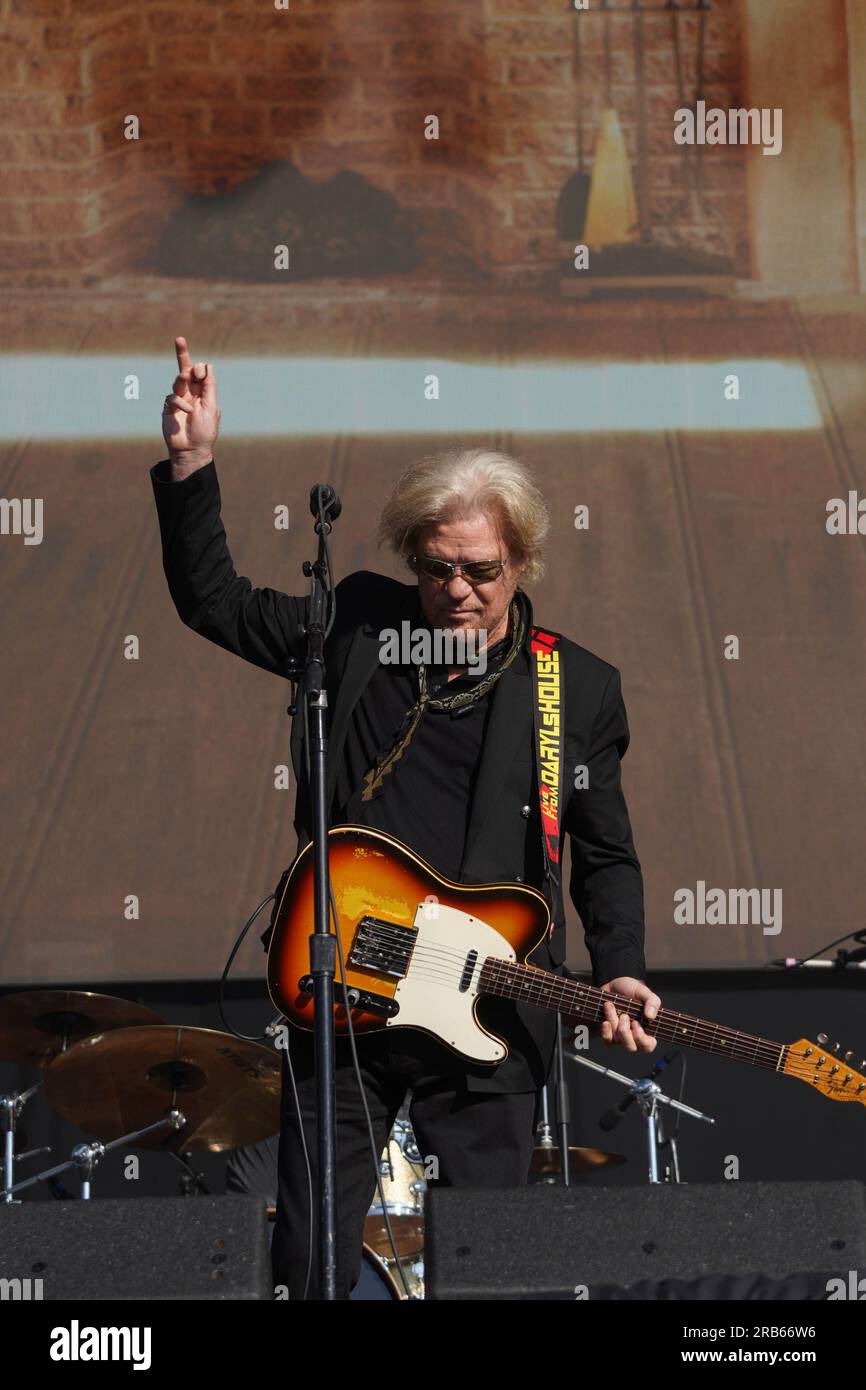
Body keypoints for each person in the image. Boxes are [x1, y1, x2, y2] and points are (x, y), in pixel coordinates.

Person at [152, 336, 661, 1299]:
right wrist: (192, 462)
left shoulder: (574, 687)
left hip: (491, 1005)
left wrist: (622, 962)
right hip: (346, 990)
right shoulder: (352, 627)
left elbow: (605, 850)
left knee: (489, 1266)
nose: (457, 592)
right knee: (309, 1258)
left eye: (480, 570)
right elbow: (211, 602)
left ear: (521, 561)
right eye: (436, 570)